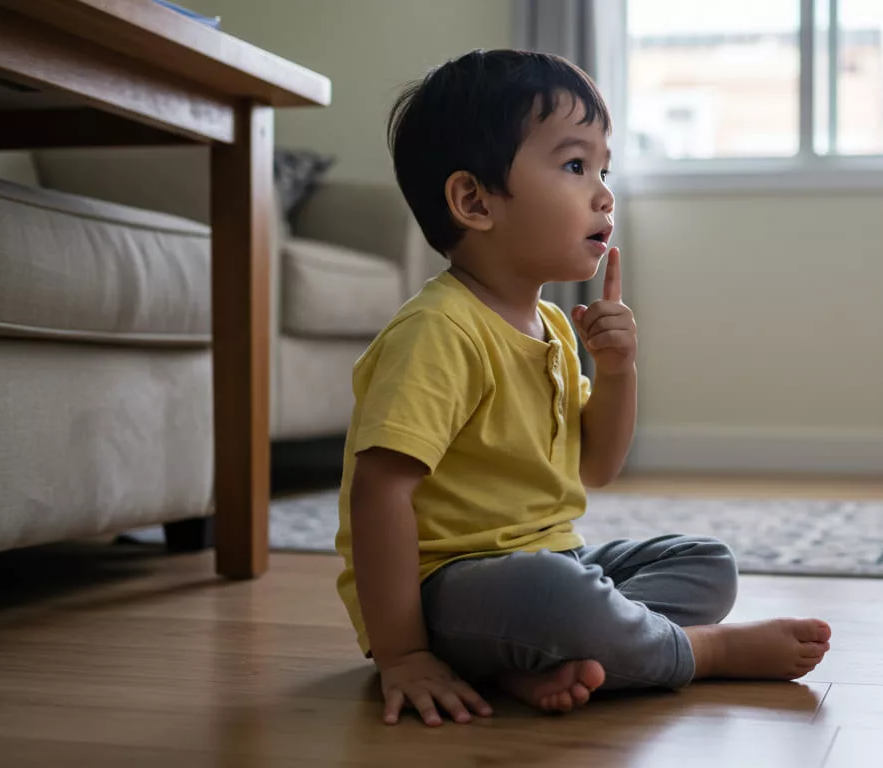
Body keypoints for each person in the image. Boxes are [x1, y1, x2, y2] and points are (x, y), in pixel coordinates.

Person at [334, 49, 832, 727]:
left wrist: (618, 371)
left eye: (605, 168)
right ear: (474, 201)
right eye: (574, 166)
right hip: (445, 591)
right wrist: (403, 654)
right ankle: (702, 652)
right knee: (556, 594)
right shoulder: (438, 332)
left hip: (550, 565)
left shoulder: (553, 327)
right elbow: (379, 492)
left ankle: (527, 664)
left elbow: (595, 468)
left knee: (706, 564)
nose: (604, 192)